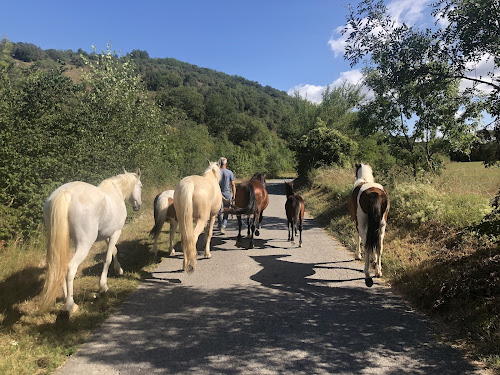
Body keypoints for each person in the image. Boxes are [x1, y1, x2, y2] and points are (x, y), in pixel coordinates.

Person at [217, 157, 235, 234]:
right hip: (227, 193)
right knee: (226, 210)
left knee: (218, 210)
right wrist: (234, 195)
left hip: (218, 193)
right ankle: (224, 225)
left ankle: (220, 223)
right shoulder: (229, 172)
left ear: (219, 163)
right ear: (226, 164)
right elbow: (233, 185)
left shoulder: (217, 172)